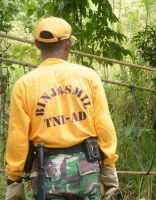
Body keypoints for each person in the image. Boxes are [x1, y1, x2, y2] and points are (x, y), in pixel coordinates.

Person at [5, 16, 118, 199]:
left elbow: (17, 138)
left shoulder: (24, 85)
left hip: (46, 173)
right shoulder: (88, 77)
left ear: (37, 45)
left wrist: (14, 178)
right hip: (86, 169)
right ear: (67, 44)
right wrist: (110, 164)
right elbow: (104, 126)